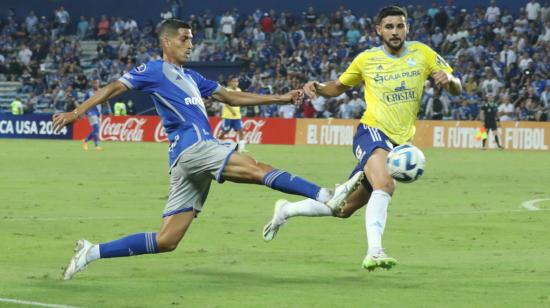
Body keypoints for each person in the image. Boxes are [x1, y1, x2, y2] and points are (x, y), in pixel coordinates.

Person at [52, 19, 363, 280]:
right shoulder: (154, 70)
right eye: (184, 39)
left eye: (192, 39)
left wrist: (281, 98)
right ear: (166, 41)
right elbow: (114, 88)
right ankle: (325, 195)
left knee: (167, 240)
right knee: (257, 168)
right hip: (194, 148)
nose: (190, 44)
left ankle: (91, 252)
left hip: (187, 160)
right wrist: (76, 113)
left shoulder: (192, 77)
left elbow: (229, 97)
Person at [263, 6, 462, 271]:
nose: (394, 31)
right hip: (372, 132)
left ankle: (286, 210)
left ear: (407, 28)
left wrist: (448, 79)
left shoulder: (423, 53)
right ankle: (375, 251)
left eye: (399, 26)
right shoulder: (366, 59)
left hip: (399, 142)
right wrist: (318, 87)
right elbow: (338, 87)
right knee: (385, 184)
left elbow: (457, 88)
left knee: (341, 208)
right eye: (389, 26)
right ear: (378, 30)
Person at [216, 75, 247, 152]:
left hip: (237, 116)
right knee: (225, 131)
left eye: (237, 81)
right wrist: (232, 110)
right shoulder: (226, 90)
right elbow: (225, 102)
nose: (236, 83)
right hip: (228, 116)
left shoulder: (239, 90)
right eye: (234, 81)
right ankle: (216, 144)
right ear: (229, 82)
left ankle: (242, 149)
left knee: (240, 131)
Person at [82, 80, 103, 151]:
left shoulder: (101, 91)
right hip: (91, 112)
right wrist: (85, 112)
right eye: (94, 83)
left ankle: (85, 140)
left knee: (96, 130)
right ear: (92, 84)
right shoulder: (89, 93)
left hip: (99, 113)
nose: (96, 84)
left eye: (97, 83)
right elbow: (84, 102)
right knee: (96, 129)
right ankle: (96, 145)